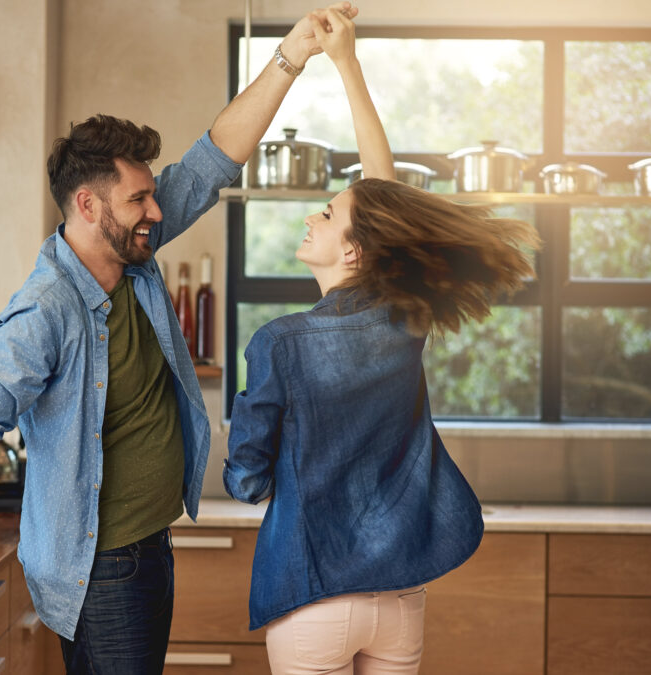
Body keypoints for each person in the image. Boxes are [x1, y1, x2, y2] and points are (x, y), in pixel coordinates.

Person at [0, 4, 358, 674]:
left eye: (153, 196)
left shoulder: (133, 258)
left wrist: (292, 55)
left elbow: (213, 159)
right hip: (102, 566)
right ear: (88, 206)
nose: (157, 211)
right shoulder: (46, 310)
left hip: (143, 544)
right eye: (139, 200)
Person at [223, 8, 540, 675]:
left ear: (357, 251)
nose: (313, 214)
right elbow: (385, 193)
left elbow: (246, 478)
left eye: (329, 212)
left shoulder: (277, 343)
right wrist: (345, 63)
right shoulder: (405, 320)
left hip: (311, 596)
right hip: (398, 598)